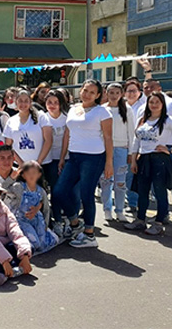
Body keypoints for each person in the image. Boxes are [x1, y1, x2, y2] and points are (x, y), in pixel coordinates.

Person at [52, 80, 113, 248]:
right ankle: (74, 223)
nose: (87, 94)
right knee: (59, 192)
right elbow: (67, 134)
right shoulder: (73, 109)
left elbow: (108, 138)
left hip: (94, 158)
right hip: (74, 157)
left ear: (98, 95)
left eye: (92, 92)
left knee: (87, 195)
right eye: (85, 90)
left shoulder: (103, 111)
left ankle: (89, 234)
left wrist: (109, 163)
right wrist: (63, 156)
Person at [125, 93, 172, 235]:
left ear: (163, 104)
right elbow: (136, 141)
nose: (154, 105)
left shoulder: (168, 121)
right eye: (151, 102)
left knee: (159, 191)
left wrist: (169, 149)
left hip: (159, 159)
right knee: (142, 191)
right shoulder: (143, 120)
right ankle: (140, 220)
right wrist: (134, 160)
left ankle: (159, 222)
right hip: (143, 159)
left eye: (157, 102)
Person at [5, 161, 58, 253]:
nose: (31, 176)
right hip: (21, 220)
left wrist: (45, 224)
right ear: (23, 175)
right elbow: (2, 189)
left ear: (39, 175)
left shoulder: (41, 191)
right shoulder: (18, 187)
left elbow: (46, 209)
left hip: (37, 219)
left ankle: (49, 234)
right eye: (28, 173)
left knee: (42, 245)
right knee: (35, 243)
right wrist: (11, 179)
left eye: (34, 173)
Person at [101, 83, 135, 223]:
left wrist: (131, 152)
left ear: (121, 94)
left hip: (122, 148)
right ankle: (107, 209)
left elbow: (131, 132)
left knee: (120, 182)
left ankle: (119, 210)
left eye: (117, 93)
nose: (114, 96)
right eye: (111, 92)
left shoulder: (127, 110)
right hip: (105, 149)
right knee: (105, 180)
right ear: (106, 93)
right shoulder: (102, 110)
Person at [3, 90, 53, 166]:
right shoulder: (11, 120)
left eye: (26, 101)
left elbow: (48, 140)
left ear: (30, 102)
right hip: (19, 165)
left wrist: (38, 162)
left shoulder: (41, 116)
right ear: (16, 102)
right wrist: (21, 164)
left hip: (42, 164)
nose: (23, 104)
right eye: (20, 101)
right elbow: (8, 145)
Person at [42, 89, 69, 193]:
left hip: (65, 157)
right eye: (49, 102)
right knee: (54, 188)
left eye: (56, 102)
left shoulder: (67, 118)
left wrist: (62, 157)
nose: (52, 105)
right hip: (49, 158)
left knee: (66, 188)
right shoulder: (42, 118)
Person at [123, 80, 143, 214]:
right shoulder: (121, 107)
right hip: (123, 145)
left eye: (134, 91)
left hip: (140, 147)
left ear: (139, 93)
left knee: (133, 175)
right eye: (129, 91)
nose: (131, 94)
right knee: (124, 176)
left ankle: (133, 203)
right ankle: (129, 201)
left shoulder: (143, 106)